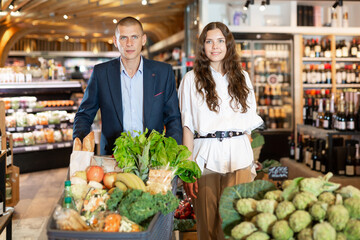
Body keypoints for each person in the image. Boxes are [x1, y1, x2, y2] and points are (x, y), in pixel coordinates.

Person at [178, 22, 263, 240]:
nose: (215, 46)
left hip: (239, 156)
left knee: (236, 224)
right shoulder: (191, 80)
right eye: (209, 41)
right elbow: (187, 127)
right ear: (202, 46)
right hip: (205, 158)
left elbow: (247, 128)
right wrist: (187, 170)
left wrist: (252, 161)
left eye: (220, 41)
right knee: (208, 226)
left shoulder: (242, 78)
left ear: (228, 44)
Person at [73, 16, 182, 155]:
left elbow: (173, 118)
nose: (129, 43)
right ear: (115, 41)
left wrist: (171, 154)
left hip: (153, 157)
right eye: (123, 38)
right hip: (113, 157)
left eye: (134, 37)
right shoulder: (101, 73)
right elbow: (84, 115)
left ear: (143, 40)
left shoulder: (163, 72)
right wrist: (80, 150)